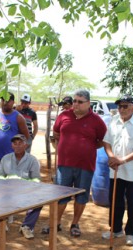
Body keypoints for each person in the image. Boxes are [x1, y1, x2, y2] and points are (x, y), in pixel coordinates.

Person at [42, 89, 107, 237]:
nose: (75, 104)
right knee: (60, 194)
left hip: (86, 165)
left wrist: (87, 147)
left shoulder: (97, 121)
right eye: (75, 101)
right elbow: (57, 133)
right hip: (64, 164)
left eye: (79, 102)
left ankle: (75, 224)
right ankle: (55, 223)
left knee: (81, 196)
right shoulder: (64, 115)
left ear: (88, 103)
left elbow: (101, 140)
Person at [102, 95, 133, 246]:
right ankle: (115, 229)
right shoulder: (113, 121)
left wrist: (122, 160)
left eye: (125, 106)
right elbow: (107, 142)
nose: (122, 109)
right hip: (115, 169)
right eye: (120, 106)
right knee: (115, 200)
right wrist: (112, 157)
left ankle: (131, 232)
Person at [0, 92, 30, 238]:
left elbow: (25, 136)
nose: (6, 103)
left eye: (9, 100)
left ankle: (3, 222)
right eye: (3, 100)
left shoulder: (18, 117)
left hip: (10, 160)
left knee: (6, 192)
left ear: (13, 102)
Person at [0, 134, 42, 239]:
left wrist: (28, 188)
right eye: (15, 143)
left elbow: (36, 179)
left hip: (25, 192)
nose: (17, 146)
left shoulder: (32, 160)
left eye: (20, 143)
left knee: (39, 201)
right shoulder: (5, 158)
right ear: (11, 145)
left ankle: (27, 226)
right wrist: (3, 187)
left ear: (26, 145)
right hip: (7, 191)